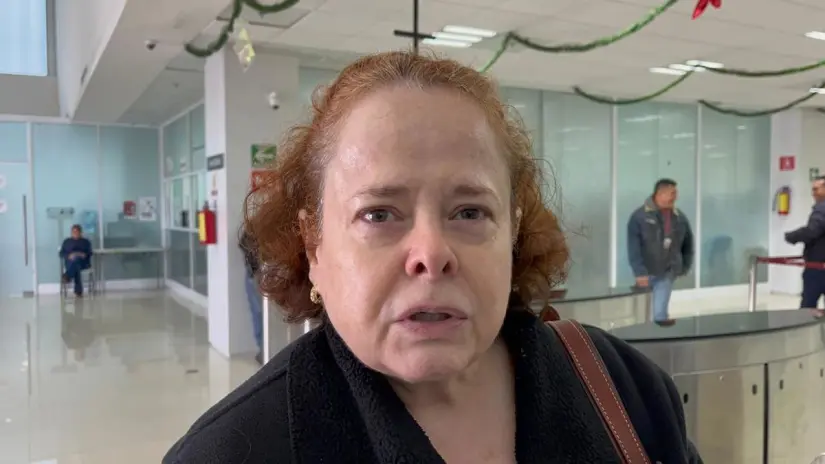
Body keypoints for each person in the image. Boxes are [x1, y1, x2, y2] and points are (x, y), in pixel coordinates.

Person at [164, 51, 702, 463]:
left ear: (513, 231)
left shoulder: (625, 390)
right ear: (313, 243)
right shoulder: (230, 452)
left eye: (469, 211)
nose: (432, 254)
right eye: (379, 213)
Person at [627, 179, 694, 326]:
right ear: (660, 194)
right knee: (642, 314)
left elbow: (688, 244)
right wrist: (639, 272)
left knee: (660, 313)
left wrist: (684, 266)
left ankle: (661, 328)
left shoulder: (679, 217)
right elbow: (633, 247)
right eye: (672, 193)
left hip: (667, 270)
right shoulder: (639, 217)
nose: (675, 197)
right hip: (646, 272)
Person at [785, 176, 825, 314]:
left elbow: (812, 231)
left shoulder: (821, 209)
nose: (813, 193)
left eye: (816, 189)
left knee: (807, 307)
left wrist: (792, 236)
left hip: (818, 267)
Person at [239, 229, 264, 364]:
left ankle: (263, 348)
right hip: (255, 275)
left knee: (258, 313)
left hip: (256, 275)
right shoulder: (254, 230)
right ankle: (262, 349)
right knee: (258, 313)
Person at [59, 224, 93, 297]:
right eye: (73, 232)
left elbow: (90, 253)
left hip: (83, 263)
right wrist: (68, 256)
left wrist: (83, 254)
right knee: (76, 265)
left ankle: (67, 276)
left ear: (80, 232)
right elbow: (61, 253)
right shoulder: (67, 241)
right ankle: (78, 291)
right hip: (70, 262)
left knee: (77, 261)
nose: (75, 233)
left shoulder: (85, 242)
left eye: (77, 232)